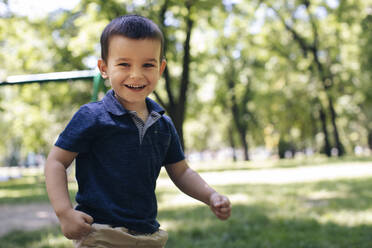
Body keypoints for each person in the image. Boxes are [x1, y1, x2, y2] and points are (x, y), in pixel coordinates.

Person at [45, 14, 231, 248]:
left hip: (147, 235)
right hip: (100, 233)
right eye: (124, 64)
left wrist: (210, 196)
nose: (136, 74)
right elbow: (56, 162)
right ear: (104, 68)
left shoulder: (163, 124)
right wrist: (64, 212)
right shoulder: (92, 117)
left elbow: (182, 172)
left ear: (160, 68)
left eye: (147, 65)